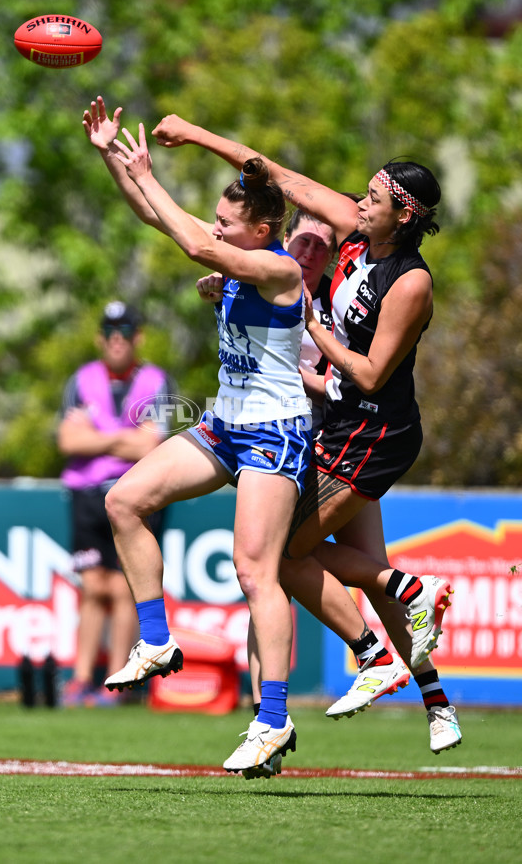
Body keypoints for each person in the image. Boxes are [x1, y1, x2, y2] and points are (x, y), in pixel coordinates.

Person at [153, 116, 461, 756]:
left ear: (401, 216)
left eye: (373, 198)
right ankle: (435, 702)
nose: (355, 207)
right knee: (300, 563)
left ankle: (384, 635)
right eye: (307, 242)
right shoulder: (305, 260)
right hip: (334, 428)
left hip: (371, 432)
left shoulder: (407, 280)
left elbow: (371, 374)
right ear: (286, 240)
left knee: (283, 559)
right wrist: (195, 134)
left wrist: (316, 340)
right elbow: (273, 173)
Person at [82, 97, 312, 777]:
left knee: (254, 572)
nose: (215, 226)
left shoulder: (279, 270)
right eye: (215, 215)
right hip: (224, 423)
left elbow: (190, 239)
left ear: (262, 228)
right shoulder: (236, 264)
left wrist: (155, 179)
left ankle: (273, 717)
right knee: (123, 501)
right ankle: (156, 641)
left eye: (227, 219)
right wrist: (116, 161)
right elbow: (160, 219)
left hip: (274, 432)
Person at [58, 300, 172, 707]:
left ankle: (115, 682)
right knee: (92, 588)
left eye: (124, 332)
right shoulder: (81, 379)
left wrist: (98, 436)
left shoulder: (158, 380)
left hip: (137, 494)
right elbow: (68, 441)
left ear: (137, 337)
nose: (117, 340)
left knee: (127, 589)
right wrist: (123, 438)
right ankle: (80, 679)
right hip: (87, 495)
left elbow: (151, 443)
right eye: (109, 333)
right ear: (99, 338)